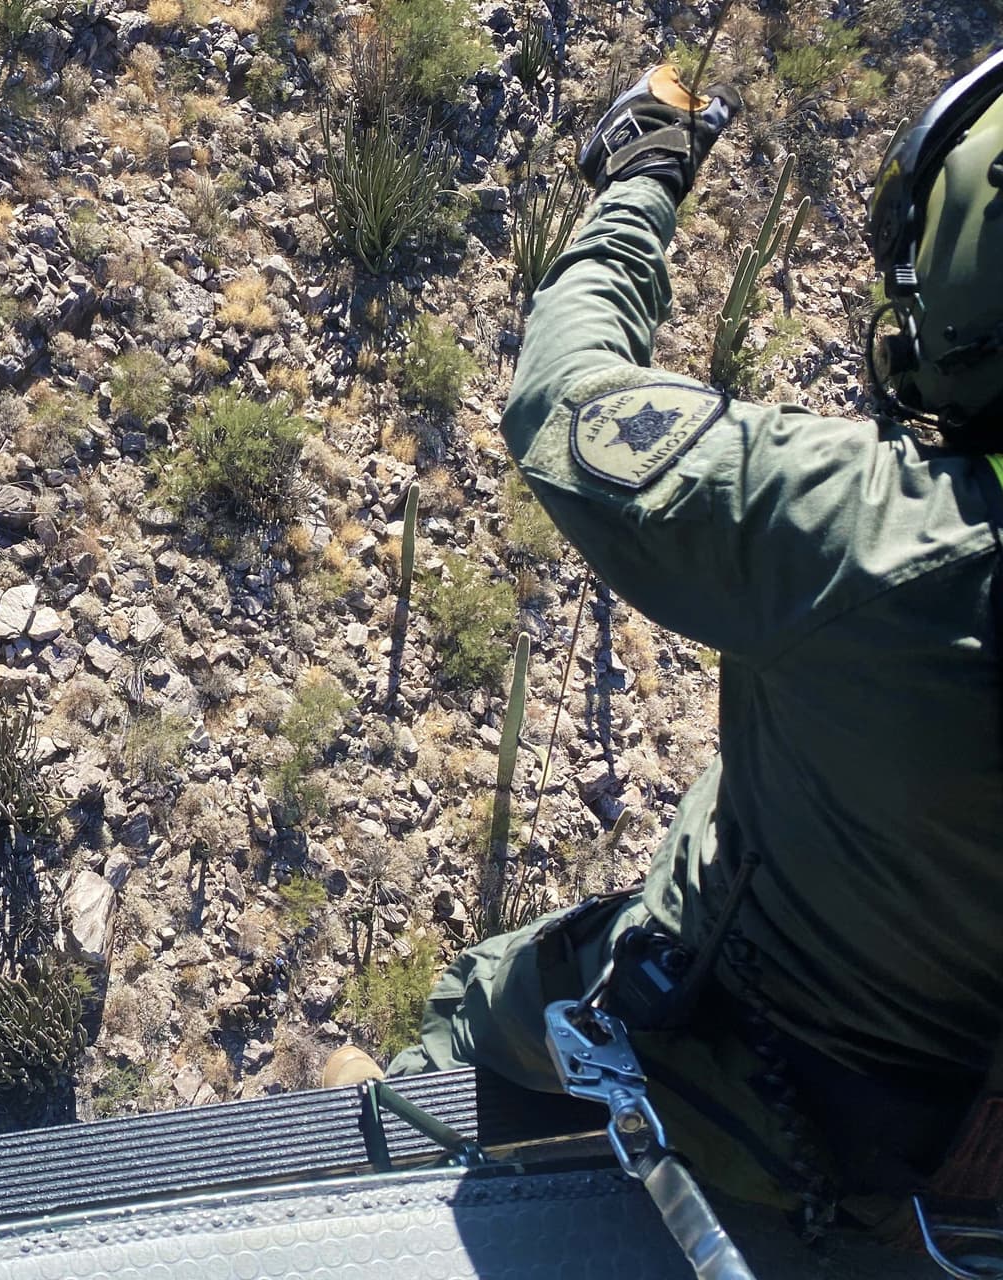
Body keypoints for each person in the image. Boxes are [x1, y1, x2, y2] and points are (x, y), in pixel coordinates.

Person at [327, 50, 1003, 1228]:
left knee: (485, 997)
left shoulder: (870, 537)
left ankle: (378, 1217)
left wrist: (640, 179)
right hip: (971, 1159)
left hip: (773, 1107)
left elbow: (564, 397)